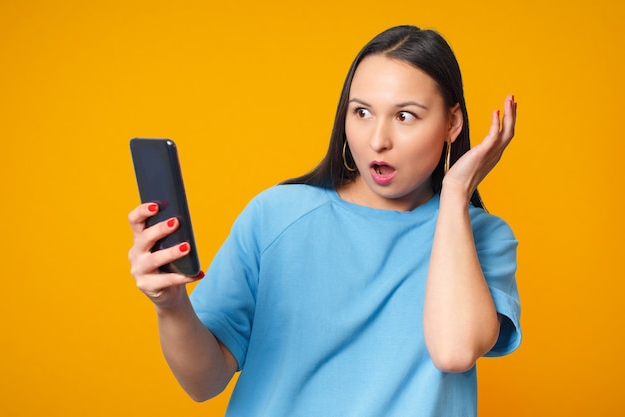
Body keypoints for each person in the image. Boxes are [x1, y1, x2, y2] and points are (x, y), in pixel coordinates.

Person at [128, 25, 521, 416]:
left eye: (404, 116)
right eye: (362, 112)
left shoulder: (483, 238)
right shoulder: (276, 216)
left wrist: (455, 194)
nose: (377, 139)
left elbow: (454, 352)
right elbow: (203, 383)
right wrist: (171, 304)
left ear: (452, 123)